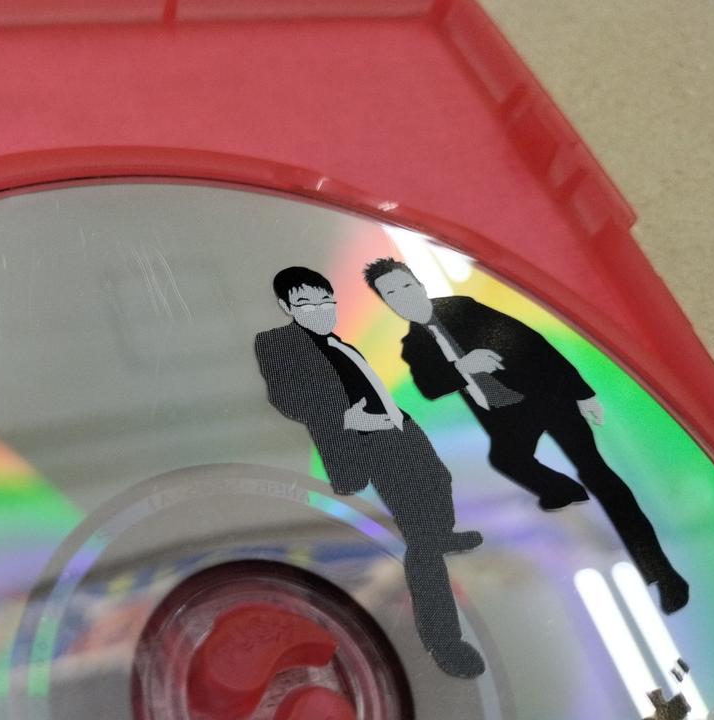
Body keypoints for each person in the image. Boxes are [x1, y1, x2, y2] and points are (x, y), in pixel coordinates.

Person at [362, 257, 689, 614]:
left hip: (545, 396)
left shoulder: (462, 310)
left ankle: (662, 573)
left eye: (406, 286)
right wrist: (462, 366)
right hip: (507, 418)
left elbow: (532, 343)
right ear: (386, 302)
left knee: (598, 474)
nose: (403, 297)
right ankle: (563, 490)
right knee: (506, 459)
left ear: (420, 285)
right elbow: (430, 386)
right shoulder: (414, 345)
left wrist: (582, 392)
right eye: (392, 294)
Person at [254, 266, 485, 678]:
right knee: (422, 544)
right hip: (365, 441)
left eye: (326, 301)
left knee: (439, 480)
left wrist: (398, 419)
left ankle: (438, 532)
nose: (320, 310)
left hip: (398, 429)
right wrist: (348, 418)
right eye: (307, 303)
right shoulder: (277, 342)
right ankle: (444, 642)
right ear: (286, 307)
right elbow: (286, 397)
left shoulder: (338, 343)